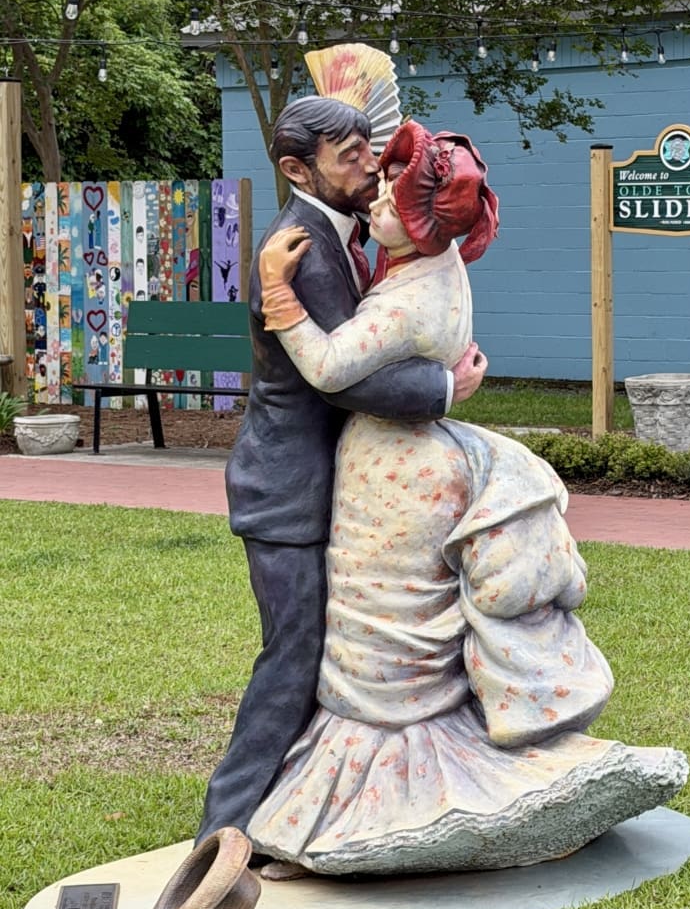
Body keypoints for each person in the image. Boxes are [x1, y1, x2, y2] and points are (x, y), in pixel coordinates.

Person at [239, 121, 688, 875]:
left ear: (420, 224)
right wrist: (447, 383)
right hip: (404, 463)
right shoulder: (432, 262)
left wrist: (279, 295)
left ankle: (370, 805)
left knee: (382, 638)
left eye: (390, 196)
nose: (374, 196)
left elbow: (328, 369)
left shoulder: (408, 296)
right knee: (388, 632)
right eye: (371, 178)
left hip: (394, 475)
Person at [196, 98, 487, 848]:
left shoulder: (346, 234)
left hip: (339, 488)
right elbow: (340, 381)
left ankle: (305, 816)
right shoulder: (299, 250)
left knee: (338, 658)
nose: (368, 164)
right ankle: (221, 834)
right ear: (298, 170)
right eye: (349, 155)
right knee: (292, 659)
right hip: (288, 490)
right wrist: (446, 386)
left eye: (368, 148)